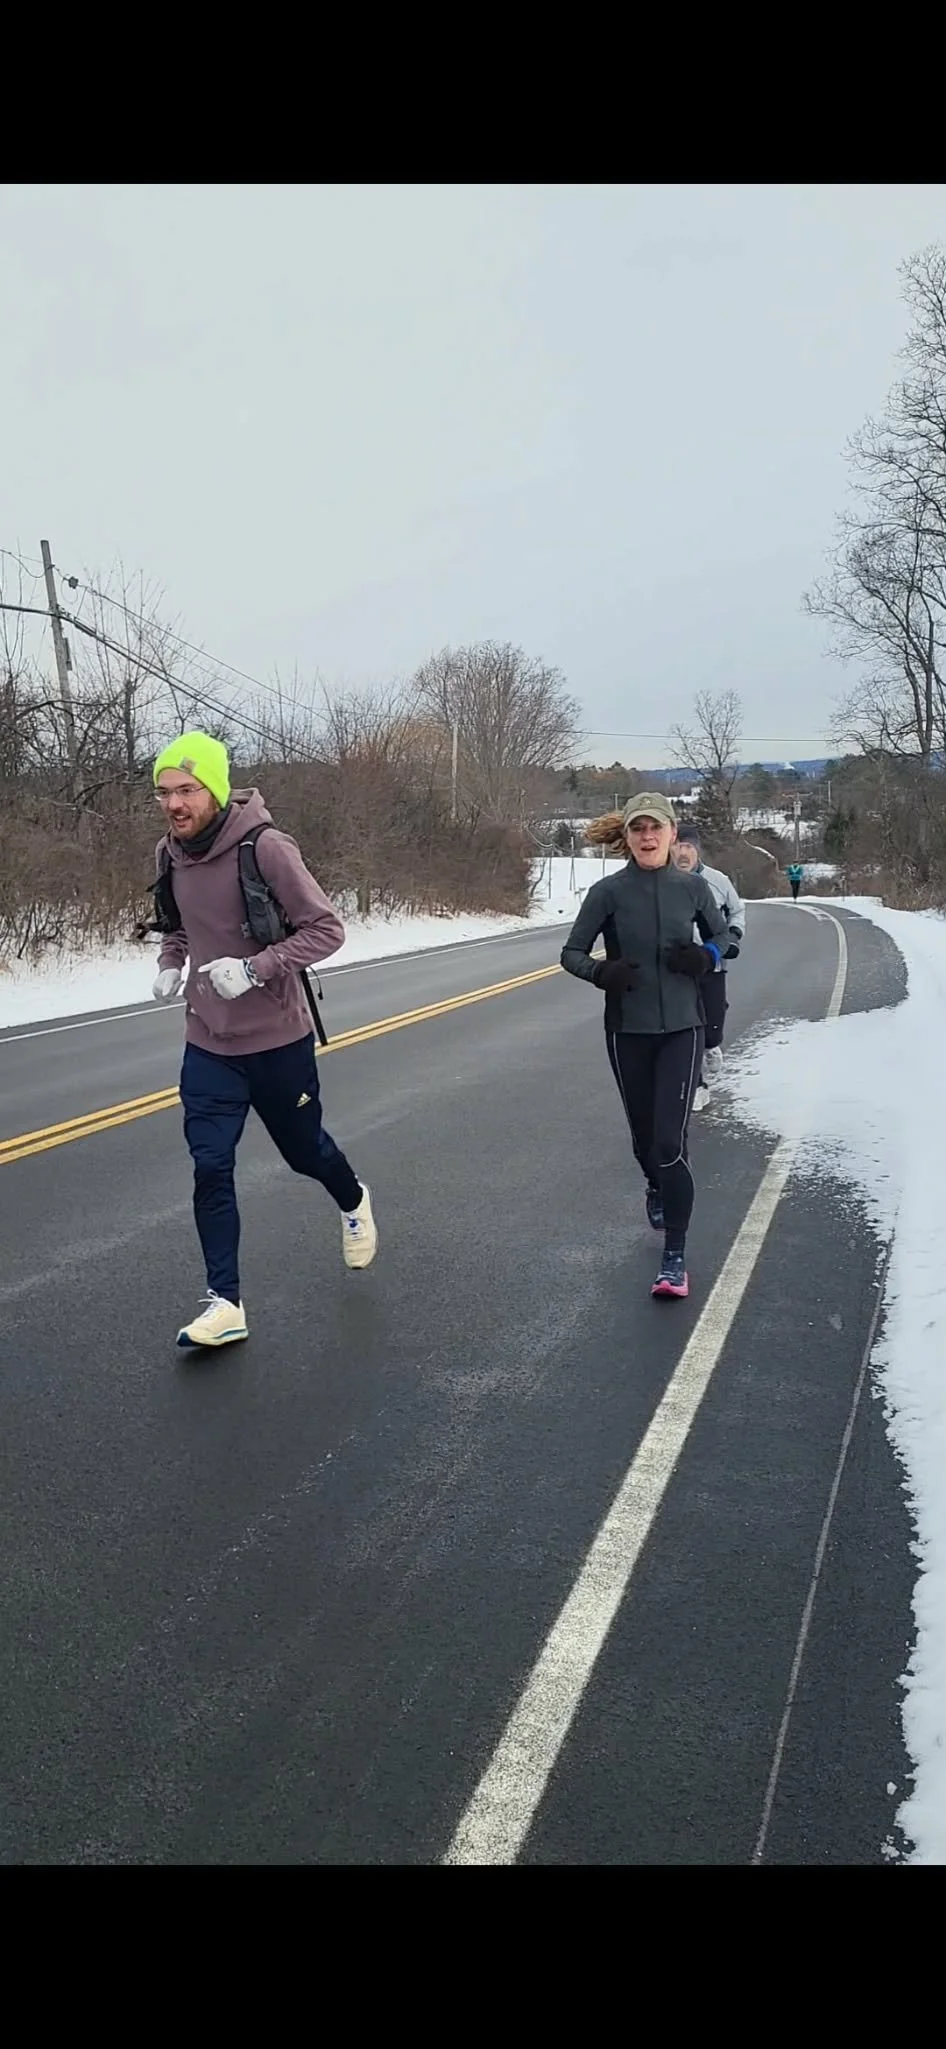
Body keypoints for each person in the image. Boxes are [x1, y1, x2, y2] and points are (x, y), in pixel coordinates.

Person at [150, 731, 377, 1351]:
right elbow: (178, 927)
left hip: (277, 1040)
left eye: (187, 789)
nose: (175, 803)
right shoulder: (169, 856)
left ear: (216, 789)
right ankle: (225, 1301)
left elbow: (326, 930)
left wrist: (255, 969)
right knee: (210, 1165)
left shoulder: (265, 847)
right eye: (165, 792)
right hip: (208, 1044)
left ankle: (353, 1197)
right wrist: (173, 963)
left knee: (305, 1153)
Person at [561, 792, 728, 1300]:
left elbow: (728, 939)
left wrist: (705, 957)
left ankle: (674, 1257)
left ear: (673, 834)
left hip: (683, 1026)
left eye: (656, 828)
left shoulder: (694, 888)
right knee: (643, 1140)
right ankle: (654, 1185)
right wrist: (601, 971)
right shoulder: (607, 893)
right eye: (638, 830)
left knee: (669, 1144)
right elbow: (570, 954)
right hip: (627, 1030)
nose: (648, 837)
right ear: (628, 837)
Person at [671, 823, 745, 1104]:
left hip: (712, 962)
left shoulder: (717, 881)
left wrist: (734, 936)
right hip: (676, 967)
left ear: (698, 851)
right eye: (679, 846)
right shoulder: (664, 881)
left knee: (712, 1023)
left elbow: (737, 911)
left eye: (689, 847)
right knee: (687, 1027)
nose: (684, 853)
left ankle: (712, 1046)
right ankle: (697, 1086)